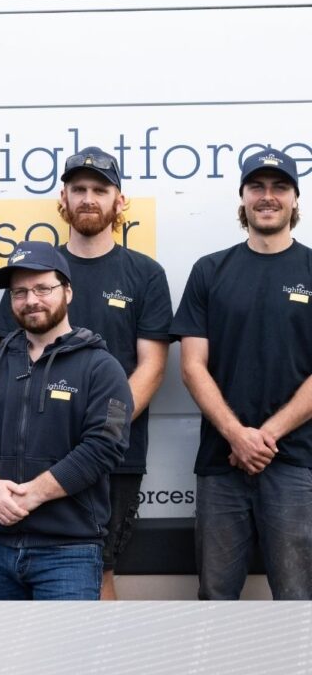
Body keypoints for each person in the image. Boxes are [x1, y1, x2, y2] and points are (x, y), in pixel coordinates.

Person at [0, 146, 172, 599]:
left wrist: (97, 435)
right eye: (78, 189)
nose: (88, 198)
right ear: (63, 200)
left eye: (99, 189)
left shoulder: (145, 274)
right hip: (27, 456)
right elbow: (2, 360)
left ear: (119, 201)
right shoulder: (33, 273)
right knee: (17, 571)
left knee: (99, 575)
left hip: (112, 459)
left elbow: (151, 367)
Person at [0, 241, 132, 600]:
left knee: (63, 657)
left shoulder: (103, 368)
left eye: (42, 288)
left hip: (69, 552)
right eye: (19, 292)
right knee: (4, 656)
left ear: (67, 291)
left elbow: (106, 445)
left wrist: (32, 495)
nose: (31, 299)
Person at [171, 148, 312, 600]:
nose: (267, 197)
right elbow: (192, 366)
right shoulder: (209, 271)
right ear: (242, 198)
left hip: (295, 463)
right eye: (257, 187)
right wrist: (236, 436)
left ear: (295, 199)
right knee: (215, 597)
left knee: (298, 598)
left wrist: (263, 437)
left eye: (279, 187)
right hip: (221, 463)